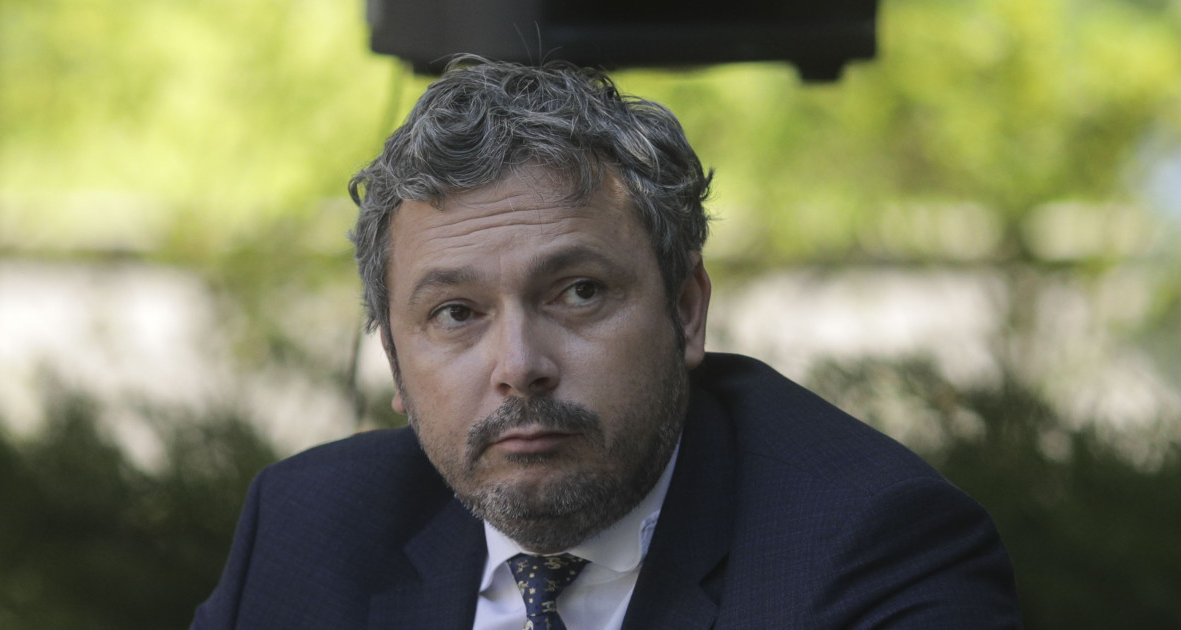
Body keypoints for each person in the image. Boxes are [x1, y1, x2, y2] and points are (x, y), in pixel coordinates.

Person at [191, 58, 1020, 629]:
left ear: (686, 311)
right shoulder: (305, 531)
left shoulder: (869, 549)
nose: (520, 367)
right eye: (455, 313)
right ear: (395, 365)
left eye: (579, 292)